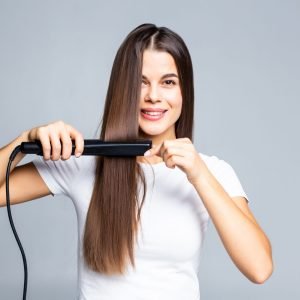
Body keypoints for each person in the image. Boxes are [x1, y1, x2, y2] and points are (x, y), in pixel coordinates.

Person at [0, 23, 273, 299]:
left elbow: (259, 268)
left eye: (168, 82)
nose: (153, 95)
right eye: (140, 82)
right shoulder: (82, 163)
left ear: (184, 92)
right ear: (123, 90)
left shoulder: (213, 171)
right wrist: (22, 142)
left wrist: (199, 175)